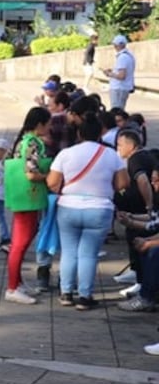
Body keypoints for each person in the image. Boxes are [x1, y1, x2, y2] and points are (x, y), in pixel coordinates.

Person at [48, 115, 128, 310]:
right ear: (101, 133)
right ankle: (85, 296)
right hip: (99, 209)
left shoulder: (66, 154)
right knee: (88, 254)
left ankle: (66, 292)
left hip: (68, 207)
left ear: (79, 133)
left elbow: (51, 182)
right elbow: (123, 183)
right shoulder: (112, 155)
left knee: (68, 252)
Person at [6, 107, 53, 304]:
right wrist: (48, 177)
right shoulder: (33, 143)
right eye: (48, 123)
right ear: (40, 124)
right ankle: (12, 287)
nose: (50, 127)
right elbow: (31, 173)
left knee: (21, 243)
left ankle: (17, 283)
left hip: (22, 198)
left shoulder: (23, 140)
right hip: (28, 199)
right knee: (19, 244)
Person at [114, 130, 155, 292]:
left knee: (137, 237)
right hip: (139, 208)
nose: (118, 149)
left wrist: (149, 205)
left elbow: (143, 181)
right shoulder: (143, 156)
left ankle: (141, 280)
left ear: (131, 146)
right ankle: (137, 273)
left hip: (141, 208)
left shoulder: (135, 160)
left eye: (120, 145)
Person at [104, 34, 136, 111]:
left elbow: (122, 76)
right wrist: (113, 71)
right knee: (120, 109)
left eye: (115, 45)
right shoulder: (130, 55)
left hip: (118, 88)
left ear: (117, 45)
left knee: (116, 110)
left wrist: (109, 74)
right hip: (124, 87)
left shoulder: (122, 57)